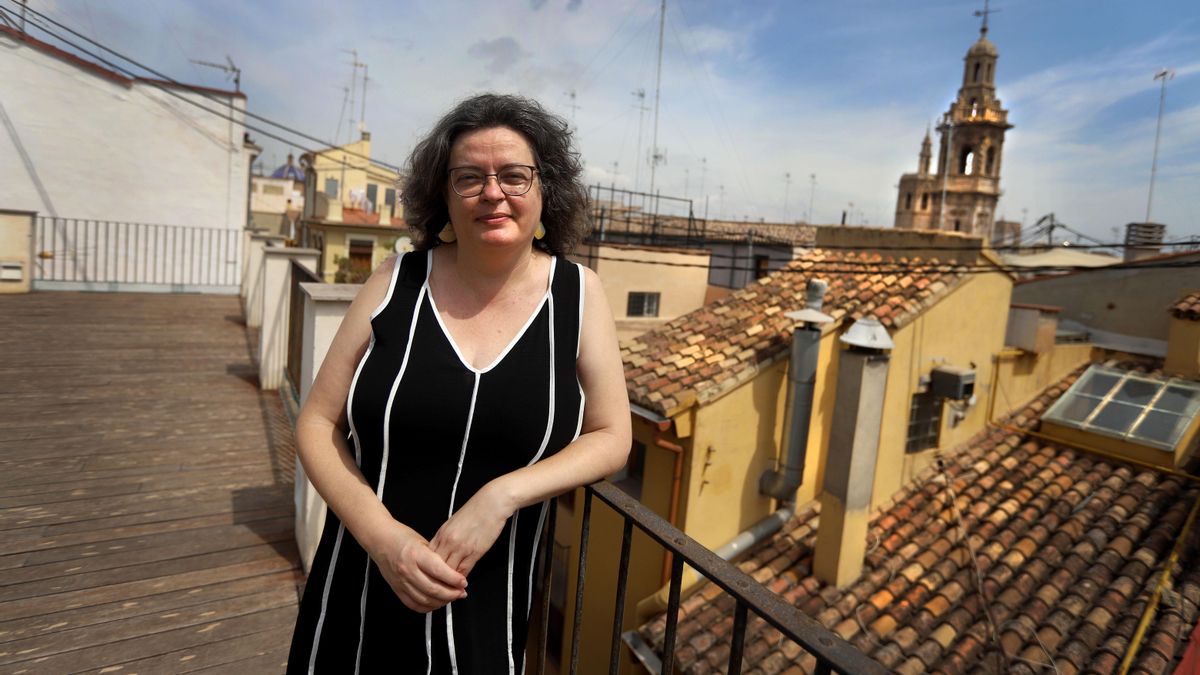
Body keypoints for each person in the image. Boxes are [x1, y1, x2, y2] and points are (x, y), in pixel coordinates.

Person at [286, 93, 631, 674]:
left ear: (546, 189)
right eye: (469, 178)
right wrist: (384, 539)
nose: (493, 192)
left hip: (487, 610)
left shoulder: (579, 295)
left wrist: (502, 496)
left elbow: (612, 435)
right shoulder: (396, 280)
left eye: (514, 176)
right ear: (443, 196)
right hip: (360, 590)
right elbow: (319, 422)